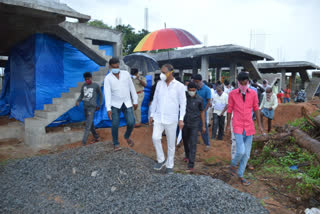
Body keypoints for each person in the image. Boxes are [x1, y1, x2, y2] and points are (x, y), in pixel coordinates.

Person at [226, 72, 264, 186]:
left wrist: (260, 125)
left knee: (246, 155)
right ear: (238, 82)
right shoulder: (232, 94)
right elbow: (229, 110)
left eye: (245, 83)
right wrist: (228, 125)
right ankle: (233, 165)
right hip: (237, 125)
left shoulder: (253, 93)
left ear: (248, 82)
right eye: (241, 83)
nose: (243, 85)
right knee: (241, 151)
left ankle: (241, 175)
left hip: (249, 126)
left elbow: (256, 108)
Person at [149, 64, 186, 174]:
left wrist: (181, 119)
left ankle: (170, 166)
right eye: (161, 72)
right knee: (155, 137)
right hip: (159, 117)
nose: (162, 74)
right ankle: (161, 159)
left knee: (171, 144)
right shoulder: (159, 84)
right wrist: (152, 114)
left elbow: (183, 104)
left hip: (172, 118)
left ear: (171, 72)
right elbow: (155, 100)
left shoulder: (179, 86)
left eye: (164, 72)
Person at [104, 57, 138, 151]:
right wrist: (108, 108)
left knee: (131, 122)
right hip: (115, 105)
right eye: (114, 67)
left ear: (119, 65)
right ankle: (116, 143)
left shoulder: (126, 74)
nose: (116, 68)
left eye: (117, 66)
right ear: (110, 67)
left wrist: (135, 100)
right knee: (115, 124)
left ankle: (127, 136)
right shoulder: (108, 78)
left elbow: (132, 88)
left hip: (127, 103)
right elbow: (107, 94)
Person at [183, 82, 205, 172]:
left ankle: (191, 164)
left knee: (193, 143)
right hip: (185, 122)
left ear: (196, 90)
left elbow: (202, 112)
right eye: (190, 90)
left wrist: (203, 125)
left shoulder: (200, 99)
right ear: (187, 89)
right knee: (185, 139)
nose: (191, 92)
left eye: (193, 90)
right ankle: (187, 155)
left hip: (195, 124)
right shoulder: (183, 97)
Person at [76, 72, 102, 146]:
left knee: (87, 124)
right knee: (90, 123)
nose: (87, 80)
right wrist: (78, 101)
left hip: (92, 107)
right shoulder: (84, 85)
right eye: (85, 79)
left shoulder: (95, 85)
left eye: (88, 79)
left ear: (91, 78)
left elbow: (100, 95)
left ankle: (83, 143)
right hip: (85, 107)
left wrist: (99, 105)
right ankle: (96, 137)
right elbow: (82, 94)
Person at [193, 74, 212, 151]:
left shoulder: (207, 89)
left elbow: (208, 102)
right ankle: (196, 140)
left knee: (204, 128)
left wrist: (204, 111)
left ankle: (207, 144)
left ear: (199, 81)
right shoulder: (195, 89)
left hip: (202, 112)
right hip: (194, 111)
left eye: (196, 81)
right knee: (194, 126)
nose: (195, 83)